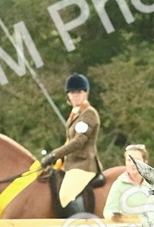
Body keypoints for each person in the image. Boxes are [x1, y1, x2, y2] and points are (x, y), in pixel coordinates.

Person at [39, 73, 105, 209]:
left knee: (65, 195)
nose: (75, 96)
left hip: (83, 165)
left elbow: (78, 141)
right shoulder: (74, 114)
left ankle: (79, 220)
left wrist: (54, 155)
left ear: (86, 93)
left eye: (79, 92)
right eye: (72, 92)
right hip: (70, 163)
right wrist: (58, 159)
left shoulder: (89, 114)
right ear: (68, 95)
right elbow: (68, 141)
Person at [103, 144, 151, 221]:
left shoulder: (153, 184)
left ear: (145, 162)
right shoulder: (119, 184)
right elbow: (109, 211)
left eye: (137, 160)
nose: (132, 164)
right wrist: (115, 217)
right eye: (129, 160)